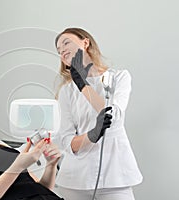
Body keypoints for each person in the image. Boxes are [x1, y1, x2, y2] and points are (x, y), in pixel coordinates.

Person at [54, 28, 143, 200]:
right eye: (58, 50)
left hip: (115, 176)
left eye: (66, 42)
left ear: (85, 43)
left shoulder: (119, 78)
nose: (62, 50)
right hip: (75, 181)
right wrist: (91, 136)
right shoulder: (66, 91)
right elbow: (66, 140)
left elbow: (113, 117)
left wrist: (83, 84)